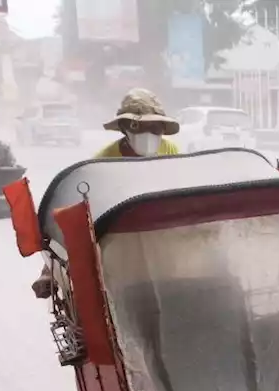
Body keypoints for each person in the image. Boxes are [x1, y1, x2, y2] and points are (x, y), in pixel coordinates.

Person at [32, 89, 180, 298]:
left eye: (155, 128)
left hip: (164, 243)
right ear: (124, 128)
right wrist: (49, 272)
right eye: (139, 127)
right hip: (121, 250)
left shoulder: (171, 152)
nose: (149, 134)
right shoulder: (103, 162)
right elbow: (74, 218)